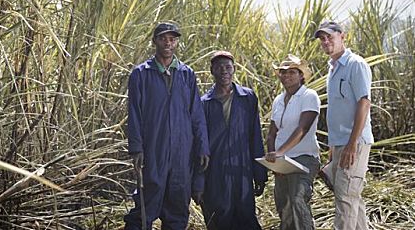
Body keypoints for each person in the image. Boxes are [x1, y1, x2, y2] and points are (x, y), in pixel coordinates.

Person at [124, 22, 210, 230]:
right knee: (145, 205)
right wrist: (136, 148)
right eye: (163, 38)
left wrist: (203, 147)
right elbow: (134, 114)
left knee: (178, 207)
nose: (168, 43)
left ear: (177, 42)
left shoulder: (186, 74)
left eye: (172, 39)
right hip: (154, 149)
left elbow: (196, 115)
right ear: (155, 41)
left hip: (182, 152)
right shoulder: (141, 74)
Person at [193, 50, 268, 230]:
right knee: (219, 218)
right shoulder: (204, 103)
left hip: (242, 171)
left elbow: (255, 136)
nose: (224, 71)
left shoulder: (247, 98)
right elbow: (198, 146)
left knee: (246, 218)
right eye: (219, 68)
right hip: (215, 173)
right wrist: (198, 182)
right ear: (212, 71)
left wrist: (260, 173)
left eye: (228, 67)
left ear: (234, 69)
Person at [314, 20, 373, 230]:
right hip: (340, 144)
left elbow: (364, 103)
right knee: (352, 198)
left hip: (354, 143)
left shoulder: (355, 64)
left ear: (342, 36)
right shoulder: (333, 68)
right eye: (322, 38)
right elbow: (339, 111)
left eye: (330, 36)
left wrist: (351, 143)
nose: (326, 41)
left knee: (345, 198)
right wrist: (334, 147)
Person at [265, 54, 321, 230]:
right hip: (282, 161)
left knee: (298, 198)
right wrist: (275, 162)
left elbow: (302, 129)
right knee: (284, 204)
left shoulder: (309, 96)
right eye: (283, 72)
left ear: (301, 75)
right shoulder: (278, 100)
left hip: (304, 158)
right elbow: (272, 133)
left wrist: (280, 153)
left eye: (292, 72)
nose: (287, 76)